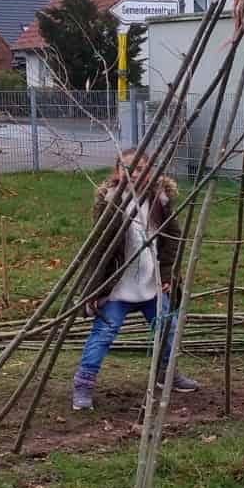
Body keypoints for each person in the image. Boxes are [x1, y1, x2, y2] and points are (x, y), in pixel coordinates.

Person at [71, 148, 199, 411]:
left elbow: (172, 240)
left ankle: (167, 373)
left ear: (150, 172)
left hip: (151, 284)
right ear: (118, 172)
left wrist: (167, 273)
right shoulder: (111, 203)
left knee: (168, 328)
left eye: (141, 169)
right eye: (128, 168)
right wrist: (93, 289)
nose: (135, 174)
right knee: (104, 333)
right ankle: (83, 384)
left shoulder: (159, 201)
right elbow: (99, 249)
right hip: (118, 287)